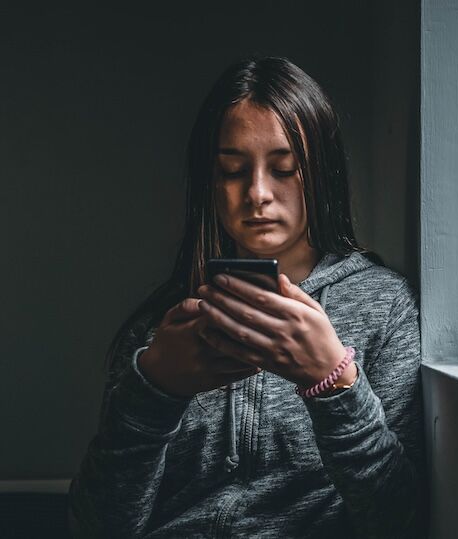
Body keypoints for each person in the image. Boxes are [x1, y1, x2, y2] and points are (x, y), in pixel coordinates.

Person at [69, 57, 425, 538]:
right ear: (210, 183)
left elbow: (397, 520)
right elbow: (96, 527)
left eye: (284, 169)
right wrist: (152, 393)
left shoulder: (382, 306)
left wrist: (334, 382)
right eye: (233, 171)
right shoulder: (165, 328)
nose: (257, 193)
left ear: (321, 173)